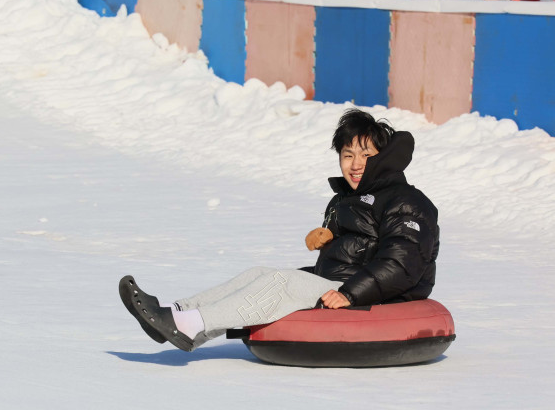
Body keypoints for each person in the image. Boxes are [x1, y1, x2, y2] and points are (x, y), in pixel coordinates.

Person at [120, 109, 439, 352]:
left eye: (365, 156)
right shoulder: (348, 198)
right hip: (341, 282)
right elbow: (358, 243)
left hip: (374, 293)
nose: (355, 165)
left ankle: (188, 325)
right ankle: (176, 312)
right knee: (257, 273)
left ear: (382, 158)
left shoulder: (406, 201)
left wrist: (349, 293)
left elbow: (402, 263)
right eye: (347, 155)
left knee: (281, 282)